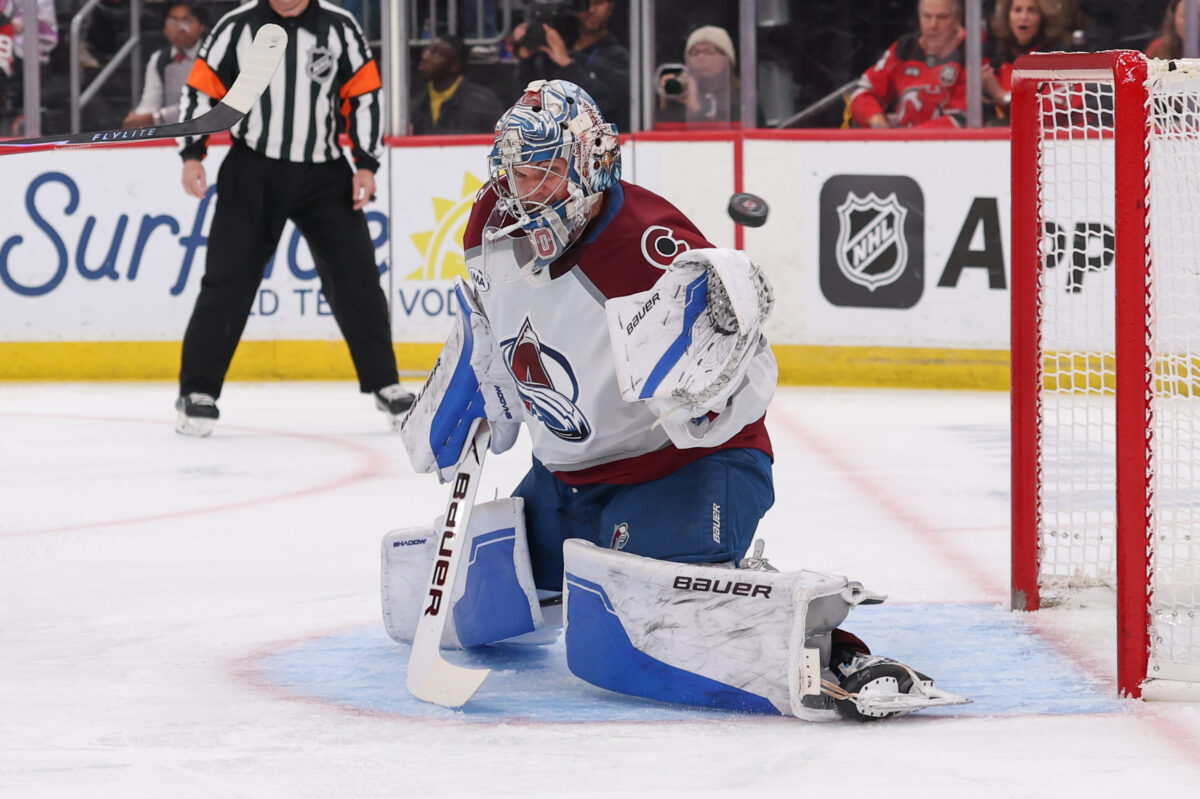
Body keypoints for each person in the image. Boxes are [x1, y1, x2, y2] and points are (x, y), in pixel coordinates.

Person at [388, 80, 966, 721]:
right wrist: (480, 376)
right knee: (489, 594)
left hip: (683, 468)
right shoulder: (488, 228)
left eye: (545, 172)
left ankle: (836, 655)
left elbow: (748, 382)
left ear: (588, 165)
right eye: (516, 172)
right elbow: (496, 325)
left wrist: (714, 373)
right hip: (569, 476)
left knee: (636, 614)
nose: (525, 192)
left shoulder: (648, 246)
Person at [173, 0, 413, 437]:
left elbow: (364, 94)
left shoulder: (339, 27)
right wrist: (192, 154)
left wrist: (366, 163)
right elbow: (201, 88)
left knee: (356, 278)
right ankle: (197, 391)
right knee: (227, 280)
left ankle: (385, 383)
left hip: (324, 173)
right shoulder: (236, 26)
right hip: (252, 169)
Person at [849, 0, 972, 129]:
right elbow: (863, 92)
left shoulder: (973, 53)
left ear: (958, 20)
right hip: (901, 143)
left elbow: (965, 118)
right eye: (927, 16)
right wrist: (878, 123)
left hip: (949, 146)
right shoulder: (905, 48)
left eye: (942, 17)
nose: (933, 25)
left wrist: (909, 139)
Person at [511, 0, 629, 132]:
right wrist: (526, 60)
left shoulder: (619, 56)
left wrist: (567, 63)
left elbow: (607, 103)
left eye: (598, 3)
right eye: (584, 5)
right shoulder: (547, 54)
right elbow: (522, 109)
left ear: (610, 7)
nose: (591, 10)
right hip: (551, 140)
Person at [123, 2, 208, 130]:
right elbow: (150, 102)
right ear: (165, 28)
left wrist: (156, 117)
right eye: (174, 21)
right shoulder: (159, 59)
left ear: (201, 26)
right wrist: (136, 119)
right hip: (170, 134)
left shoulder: (211, 56)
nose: (180, 28)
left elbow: (205, 105)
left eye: (188, 21)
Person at [982, 0, 1068, 118]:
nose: (1024, 17)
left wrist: (1002, 96)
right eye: (1017, 10)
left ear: (1043, 17)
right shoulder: (999, 56)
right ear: (1008, 16)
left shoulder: (1057, 56)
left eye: (1031, 11)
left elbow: (1049, 112)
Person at [408, 34, 503, 135]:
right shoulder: (414, 104)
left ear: (454, 66)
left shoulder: (483, 103)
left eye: (435, 53)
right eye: (426, 51)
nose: (425, 57)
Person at [656, 24, 739, 126]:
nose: (701, 57)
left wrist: (696, 107)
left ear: (726, 59)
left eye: (709, 52)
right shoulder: (680, 92)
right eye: (694, 53)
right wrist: (664, 103)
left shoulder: (742, 95)